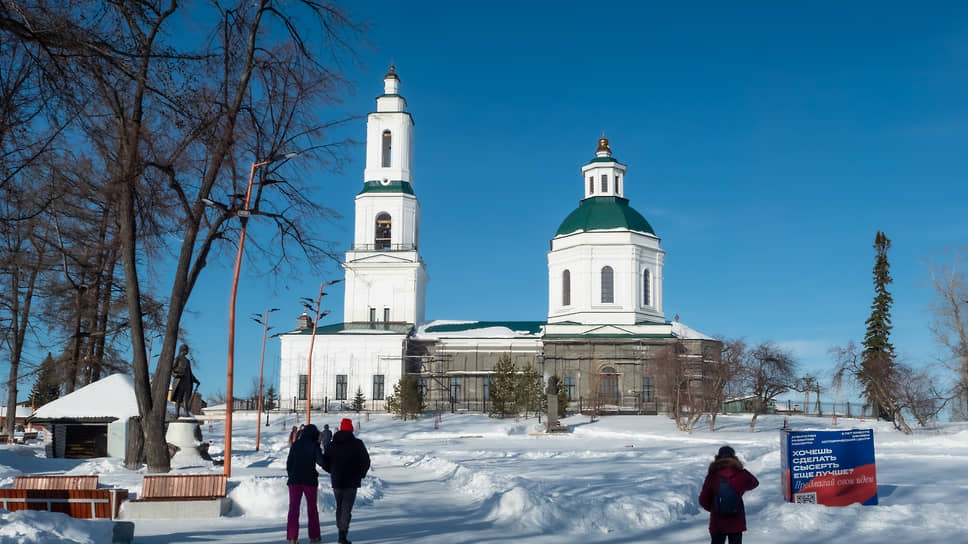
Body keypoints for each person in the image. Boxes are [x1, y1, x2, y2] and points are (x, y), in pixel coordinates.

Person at [322, 418, 370, 544]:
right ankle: (342, 535)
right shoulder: (358, 444)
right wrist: (361, 474)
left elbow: (325, 462)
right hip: (352, 481)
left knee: (340, 506)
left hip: (337, 480)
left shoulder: (332, 445)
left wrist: (332, 471)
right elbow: (366, 461)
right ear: (351, 429)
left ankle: (341, 531)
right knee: (346, 508)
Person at [698, 446, 759, 544]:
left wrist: (715, 507)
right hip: (736, 522)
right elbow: (755, 483)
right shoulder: (740, 475)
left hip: (717, 522)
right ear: (734, 458)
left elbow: (703, 500)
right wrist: (742, 470)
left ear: (718, 458)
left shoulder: (712, 477)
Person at [286, 423, 325, 544]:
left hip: (294, 481)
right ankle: (314, 536)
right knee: (312, 509)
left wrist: (292, 474)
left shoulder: (295, 444)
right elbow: (321, 462)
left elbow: (289, 463)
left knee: (293, 509)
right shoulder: (314, 445)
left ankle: (292, 538)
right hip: (310, 481)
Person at [171, 344, 200, 418]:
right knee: (178, 398)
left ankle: (186, 412)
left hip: (187, 383)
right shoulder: (177, 359)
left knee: (186, 398)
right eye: (186, 350)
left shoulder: (187, 361)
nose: (187, 351)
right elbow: (171, 369)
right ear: (182, 350)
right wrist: (176, 375)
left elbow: (190, 373)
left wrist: (196, 380)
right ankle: (177, 414)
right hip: (179, 382)